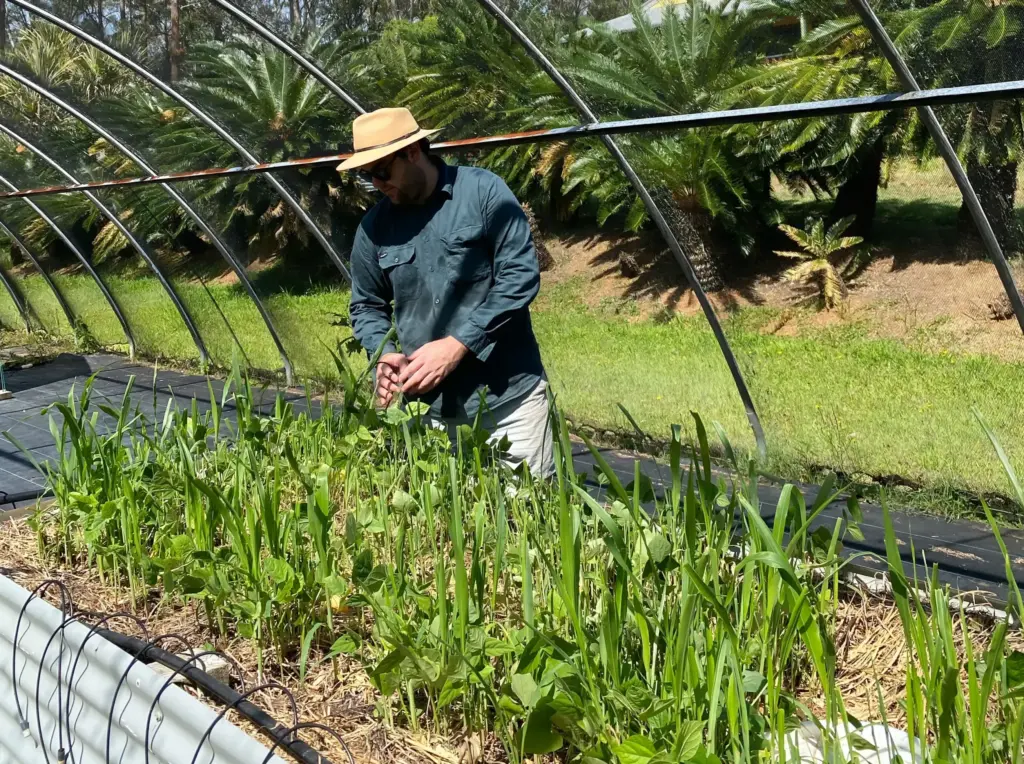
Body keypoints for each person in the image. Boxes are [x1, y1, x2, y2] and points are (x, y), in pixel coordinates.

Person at [341, 107, 554, 478]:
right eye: (367, 176)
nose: (377, 184)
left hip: (508, 405)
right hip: (429, 414)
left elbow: (519, 276)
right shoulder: (373, 229)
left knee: (529, 519)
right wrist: (384, 354)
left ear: (412, 152)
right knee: (449, 525)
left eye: (381, 171)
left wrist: (458, 344)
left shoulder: (483, 192)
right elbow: (366, 305)